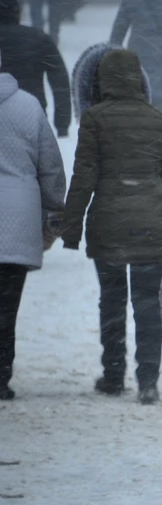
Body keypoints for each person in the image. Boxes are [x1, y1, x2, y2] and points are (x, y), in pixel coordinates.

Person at [62, 49, 162, 404]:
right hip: (153, 222)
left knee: (112, 300)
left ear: (103, 80)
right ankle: (148, 380)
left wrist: (70, 227)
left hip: (109, 223)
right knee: (148, 304)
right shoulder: (159, 120)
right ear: (139, 78)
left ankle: (113, 375)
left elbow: (83, 177)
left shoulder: (94, 119)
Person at [0, 46, 66, 401]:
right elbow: (50, 167)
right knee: (7, 307)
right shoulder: (27, 105)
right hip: (18, 218)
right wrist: (55, 213)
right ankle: (0, 375)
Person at [0, 0, 72, 137]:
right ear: (18, 13)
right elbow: (60, 81)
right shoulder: (38, 38)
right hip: (31, 114)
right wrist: (62, 124)